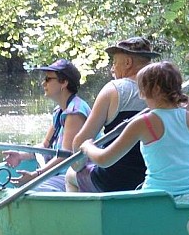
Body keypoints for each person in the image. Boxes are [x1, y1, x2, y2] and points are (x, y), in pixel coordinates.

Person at [79, 61, 189, 203]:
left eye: (141, 89)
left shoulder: (143, 123)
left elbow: (105, 160)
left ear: (152, 90)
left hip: (158, 198)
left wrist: (88, 147)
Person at [65, 37, 159, 193]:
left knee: (71, 175)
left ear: (128, 63)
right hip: (152, 179)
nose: (112, 68)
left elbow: (80, 143)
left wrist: (81, 162)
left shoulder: (113, 89)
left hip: (114, 180)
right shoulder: (164, 92)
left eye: (114, 62)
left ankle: (82, 216)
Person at [3, 58, 91, 191]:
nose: (43, 83)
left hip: (74, 177)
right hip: (59, 174)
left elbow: (65, 157)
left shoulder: (75, 112)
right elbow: (45, 146)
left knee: (29, 191)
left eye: (48, 79)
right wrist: (21, 155)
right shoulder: (60, 110)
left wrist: (36, 175)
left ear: (64, 83)